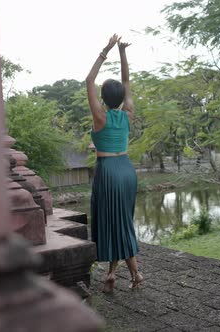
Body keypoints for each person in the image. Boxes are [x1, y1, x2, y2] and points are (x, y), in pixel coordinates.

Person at [86, 34, 143, 292]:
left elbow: (88, 80)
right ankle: (115, 274)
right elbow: (127, 81)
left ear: (103, 97)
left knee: (114, 224)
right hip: (127, 171)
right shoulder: (128, 114)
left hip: (108, 173)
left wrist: (105, 50)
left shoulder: (101, 117)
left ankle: (135, 275)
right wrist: (122, 53)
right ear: (120, 98)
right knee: (120, 222)